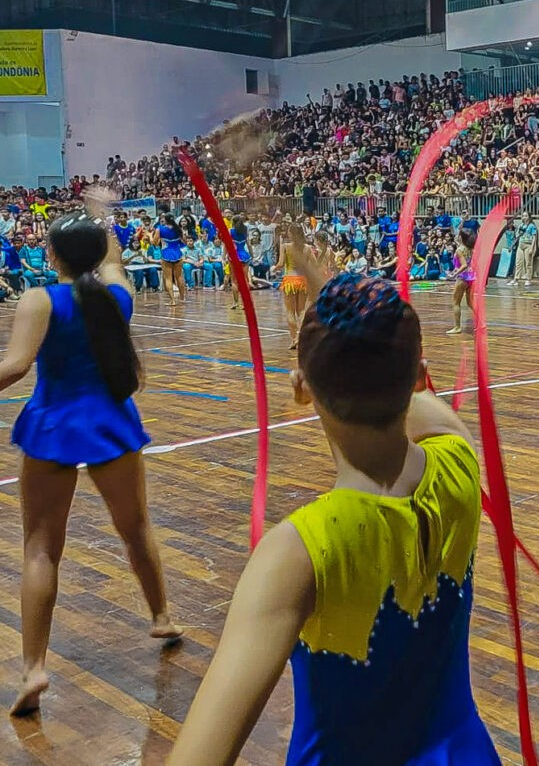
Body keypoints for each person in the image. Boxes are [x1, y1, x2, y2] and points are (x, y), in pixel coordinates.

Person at [168, 268, 501, 766]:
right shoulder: (458, 463)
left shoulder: (299, 552)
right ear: (418, 374)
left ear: (301, 387)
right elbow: (415, 397)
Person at [0, 213, 180, 716]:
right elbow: (117, 262)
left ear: (52, 255)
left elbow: (15, 366)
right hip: (110, 424)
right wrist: (107, 223)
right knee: (136, 528)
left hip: (53, 426)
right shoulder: (116, 297)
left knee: (40, 549)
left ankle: (35, 668)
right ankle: (161, 616)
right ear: (98, 253)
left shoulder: (40, 299)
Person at [276, 220, 309, 350]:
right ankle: (300, 337)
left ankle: (294, 338)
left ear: (290, 234)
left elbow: (281, 263)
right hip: (302, 280)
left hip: (290, 279)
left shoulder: (285, 246)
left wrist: (274, 268)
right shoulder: (306, 248)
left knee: (290, 311)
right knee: (301, 311)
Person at [445, 225, 477, 335]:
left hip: (462, 278)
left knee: (456, 303)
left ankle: (457, 327)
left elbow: (463, 265)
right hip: (471, 277)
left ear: (461, 238)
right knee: (470, 303)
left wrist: (454, 274)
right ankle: (481, 322)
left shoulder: (459, 250)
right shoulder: (471, 249)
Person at [157, 213, 185, 306]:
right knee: (179, 277)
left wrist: (149, 235)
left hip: (166, 254)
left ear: (165, 220)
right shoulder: (178, 229)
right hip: (178, 254)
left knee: (168, 278)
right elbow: (184, 241)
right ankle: (182, 298)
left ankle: (172, 300)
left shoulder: (160, 229)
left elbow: (154, 242)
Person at [513, 212, 538, 287]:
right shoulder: (521, 225)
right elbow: (517, 235)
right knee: (518, 262)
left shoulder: (532, 226)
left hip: (528, 245)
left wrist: (532, 248)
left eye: (526, 216)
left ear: (529, 217)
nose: (524, 217)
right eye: (523, 216)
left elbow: (534, 237)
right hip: (521, 245)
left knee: (528, 263)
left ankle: (528, 279)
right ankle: (516, 279)